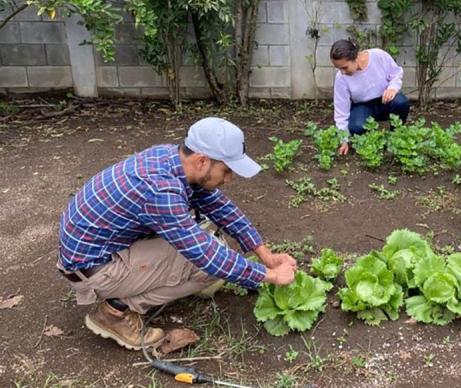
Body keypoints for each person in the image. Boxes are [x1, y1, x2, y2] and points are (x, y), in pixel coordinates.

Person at [57, 117, 297, 350]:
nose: (229, 178)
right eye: (226, 170)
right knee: (208, 267)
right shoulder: (159, 190)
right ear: (203, 161)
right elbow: (207, 256)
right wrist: (270, 276)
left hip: (102, 248)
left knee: (209, 240)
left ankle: (133, 289)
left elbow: (220, 207)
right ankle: (115, 310)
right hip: (96, 270)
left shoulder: (172, 157)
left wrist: (266, 255)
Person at [330, 39, 411, 155]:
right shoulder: (341, 78)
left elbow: (396, 73)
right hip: (363, 106)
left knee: (401, 102)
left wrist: (392, 88)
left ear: (355, 57)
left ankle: (395, 137)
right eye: (338, 68)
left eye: (344, 67)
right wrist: (344, 140)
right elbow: (341, 112)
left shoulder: (378, 56)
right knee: (356, 127)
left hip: (385, 100)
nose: (342, 72)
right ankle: (371, 141)